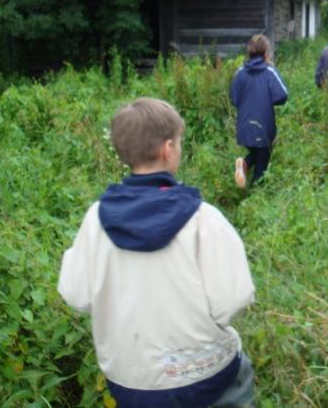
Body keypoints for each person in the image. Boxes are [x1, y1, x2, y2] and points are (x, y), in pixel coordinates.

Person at [57, 98, 256, 407]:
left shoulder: (96, 220)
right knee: (237, 374)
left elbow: (75, 293)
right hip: (206, 377)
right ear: (167, 149)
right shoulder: (203, 219)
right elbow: (233, 298)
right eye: (178, 143)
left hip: (132, 381)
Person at [230, 34, 288, 188]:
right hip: (264, 126)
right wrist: (268, 100)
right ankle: (255, 196)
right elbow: (283, 95)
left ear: (249, 52)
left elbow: (234, 99)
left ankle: (244, 164)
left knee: (257, 153)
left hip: (244, 127)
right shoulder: (269, 71)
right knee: (262, 164)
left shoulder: (240, 72)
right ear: (266, 52)